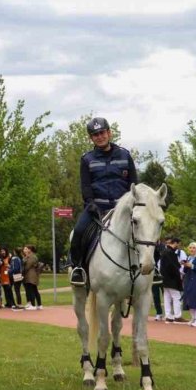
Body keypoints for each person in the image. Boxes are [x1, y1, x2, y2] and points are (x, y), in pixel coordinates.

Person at [69, 117, 144, 287]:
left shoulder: (125, 155)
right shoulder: (86, 159)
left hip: (123, 209)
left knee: (148, 228)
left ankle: (153, 268)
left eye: (102, 132)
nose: (99, 136)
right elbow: (86, 186)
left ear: (109, 133)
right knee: (78, 232)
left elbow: (134, 184)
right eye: (95, 134)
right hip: (97, 208)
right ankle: (78, 268)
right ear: (91, 138)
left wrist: (134, 204)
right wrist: (91, 204)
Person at [160, 237, 184, 323]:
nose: (178, 246)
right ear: (175, 243)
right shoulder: (170, 253)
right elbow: (172, 266)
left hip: (165, 278)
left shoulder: (165, 252)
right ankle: (177, 316)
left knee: (167, 297)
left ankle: (168, 316)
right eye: (178, 244)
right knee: (176, 296)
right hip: (172, 279)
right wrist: (179, 268)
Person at [151, 239, 168, 321]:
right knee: (155, 295)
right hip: (154, 275)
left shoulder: (164, 248)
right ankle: (159, 313)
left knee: (167, 295)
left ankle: (168, 313)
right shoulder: (151, 247)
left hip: (165, 275)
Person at [22, 245, 42, 310]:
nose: (25, 250)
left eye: (26, 249)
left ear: (30, 250)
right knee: (33, 290)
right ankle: (37, 304)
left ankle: (33, 305)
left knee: (32, 290)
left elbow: (27, 266)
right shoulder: (28, 257)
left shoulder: (32, 257)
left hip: (31, 276)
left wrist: (22, 270)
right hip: (29, 276)